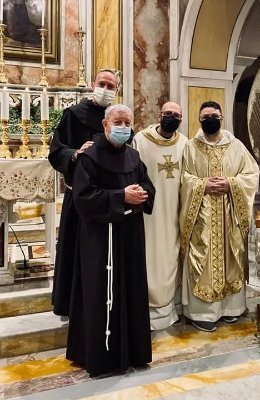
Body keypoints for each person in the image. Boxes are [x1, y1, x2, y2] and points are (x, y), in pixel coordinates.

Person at [67, 104, 155, 376]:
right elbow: (82, 198)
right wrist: (120, 197)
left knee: (132, 289)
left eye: (127, 122)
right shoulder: (89, 157)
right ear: (105, 125)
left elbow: (148, 186)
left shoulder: (134, 155)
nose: (123, 127)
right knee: (100, 293)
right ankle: (102, 357)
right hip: (100, 238)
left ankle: (135, 352)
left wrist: (142, 193)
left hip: (130, 236)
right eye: (118, 121)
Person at [179, 101, 259, 332]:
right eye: (205, 117)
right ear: (199, 120)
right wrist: (202, 185)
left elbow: (251, 174)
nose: (210, 120)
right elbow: (183, 178)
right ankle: (201, 312)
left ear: (221, 118)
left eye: (214, 116)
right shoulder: (191, 147)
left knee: (231, 257)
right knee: (202, 259)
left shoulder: (236, 146)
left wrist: (231, 183)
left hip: (229, 215)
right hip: (201, 216)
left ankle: (230, 308)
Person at [48, 69, 119, 317]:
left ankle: (103, 300)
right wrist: (76, 153)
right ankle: (71, 303)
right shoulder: (73, 115)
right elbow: (57, 151)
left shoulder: (117, 118)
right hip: (79, 198)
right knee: (76, 250)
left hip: (108, 200)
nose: (106, 89)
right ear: (92, 84)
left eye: (111, 86)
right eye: (102, 84)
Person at [134, 101, 188, 330]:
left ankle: (169, 305)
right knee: (148, 254)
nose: (171, 117)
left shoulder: (185, 144)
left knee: (170, 255)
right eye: (168, 113)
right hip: (147, 213)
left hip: (174, 212)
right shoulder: (140, 140)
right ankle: (144, 304)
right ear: (159, 115)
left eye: (176, 115)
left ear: (181, 120)